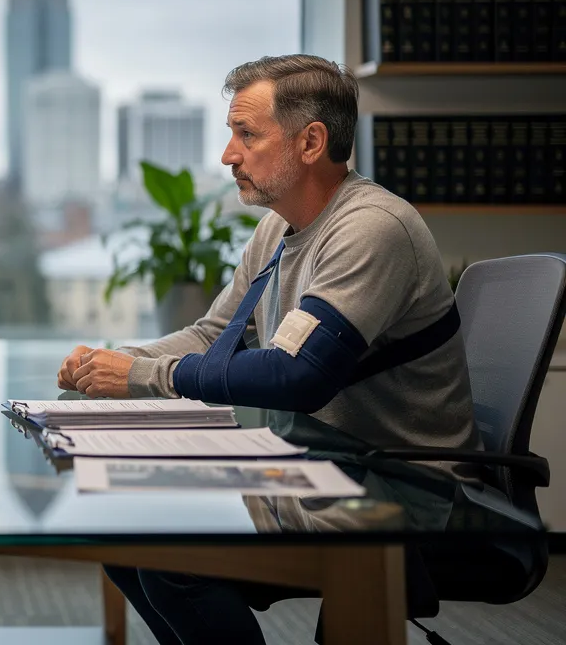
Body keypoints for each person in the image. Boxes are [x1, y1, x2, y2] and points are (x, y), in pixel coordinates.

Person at [56, 54, 479, 645]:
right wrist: (117, 361)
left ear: (311, 142)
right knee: (128, 530)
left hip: (393, 488)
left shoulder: (372, 228)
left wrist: (143, 377)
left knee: (168, 550)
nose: (228, 154)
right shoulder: (278, 230)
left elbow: (295, 376)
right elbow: (214, 337)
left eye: (246, 134)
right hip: (318, 466)